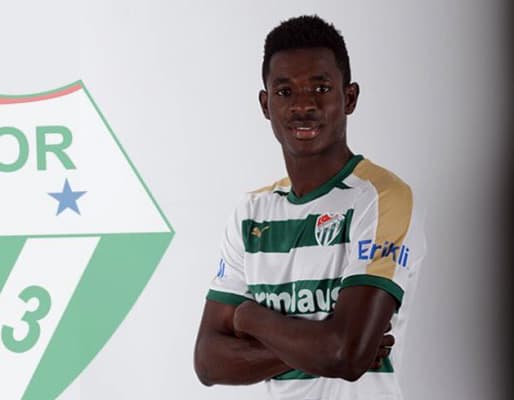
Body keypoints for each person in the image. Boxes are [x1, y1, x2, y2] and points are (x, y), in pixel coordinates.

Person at [194, 15, 425, 400]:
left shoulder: (382, 198)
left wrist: (250, 318)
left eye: (321, 88)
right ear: (266, 104)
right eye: (285, 92)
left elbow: (345, 354)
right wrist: (325, 346)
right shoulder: (251, 213)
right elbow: (208, 362)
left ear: (349, 98)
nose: (303, 105)